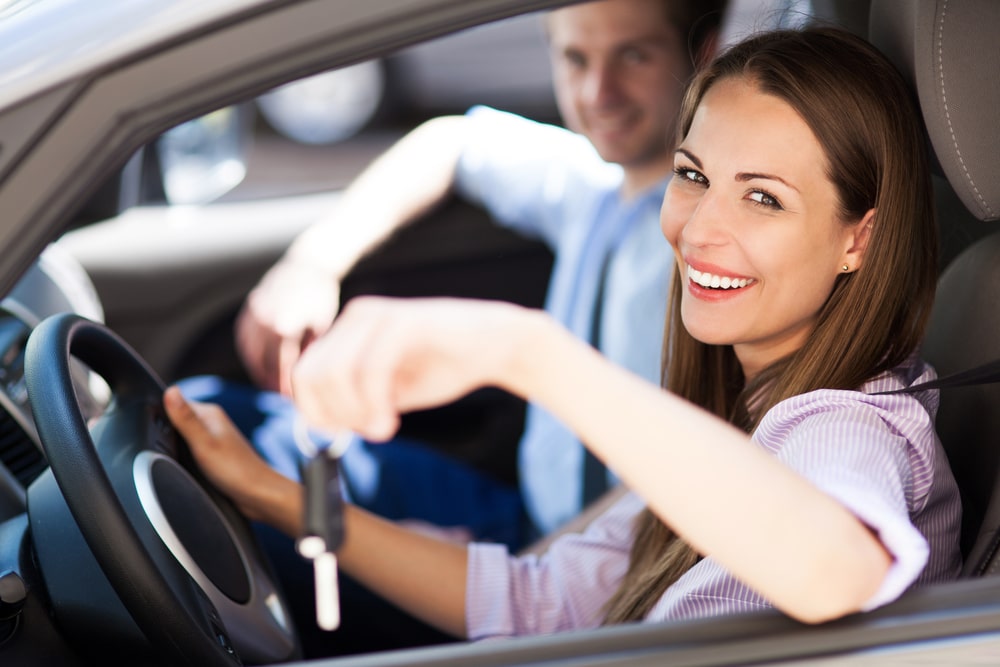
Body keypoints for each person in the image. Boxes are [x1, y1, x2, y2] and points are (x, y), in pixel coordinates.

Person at [166, 25, 962, 640]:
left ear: (859, 237)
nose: (698, 231)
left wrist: (529, 354)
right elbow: (534, 600)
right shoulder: (734, 422)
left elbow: (840, 570)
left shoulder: (851, 422)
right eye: (693, 177)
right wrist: (275, 499)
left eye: (763, 199)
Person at [184, 0, 729, 553]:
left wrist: (529, 574)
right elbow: (453, 142)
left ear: (703, 52)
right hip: (525, 518)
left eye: (633, 56)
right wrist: (312, 264)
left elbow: (704, 463)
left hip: (615, 557)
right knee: (215, 419)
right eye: (575, 59)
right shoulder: (588, 186)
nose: (597, 93)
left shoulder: (718, 237)